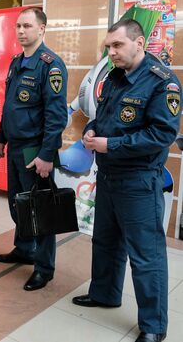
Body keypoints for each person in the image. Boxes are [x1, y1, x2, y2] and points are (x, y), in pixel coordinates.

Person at [72, 19, 180, 342]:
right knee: (105, 241)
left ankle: (153, 326)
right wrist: (92, 131)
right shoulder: (115, 77)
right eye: (108, 46)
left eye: (117, 45)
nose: (111, 52)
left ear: (139, 43)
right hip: (108, 177)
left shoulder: (163, 83)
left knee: (146, 255)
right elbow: (103, 118)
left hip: (138, 181)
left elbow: (162, 135)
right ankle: (104, 293)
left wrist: (111, 145)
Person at [0, 7, 67, 291]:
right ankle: (24, 249)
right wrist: (1, 137)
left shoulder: (51, 65)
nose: (21, 31)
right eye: (18, 26)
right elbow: (10, 105)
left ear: (42, 29)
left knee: (40, 210)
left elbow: (56, 117)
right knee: (17, 203)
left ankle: (44, 267)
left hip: (34, 150)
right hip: (14, 147)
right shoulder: (16, 62)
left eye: (27, 26)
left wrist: (47, 155)